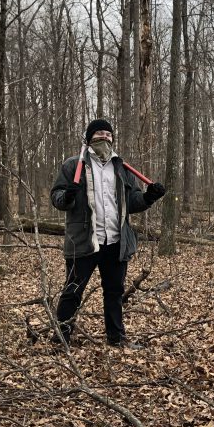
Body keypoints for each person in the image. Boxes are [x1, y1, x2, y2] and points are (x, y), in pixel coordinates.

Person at [50, 119, 166, 348]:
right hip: (84, 241)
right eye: (99, 133)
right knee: (72, 291)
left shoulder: (121, 168)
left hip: (116, 241)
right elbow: (57, 197)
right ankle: (60, 339)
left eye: (108, 133)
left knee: (114, 292)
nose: (104, 137)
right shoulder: (74, 165)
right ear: (90, 138)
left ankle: (117, 338)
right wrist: (68, 197)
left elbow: (132, 202)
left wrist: (149, 197)